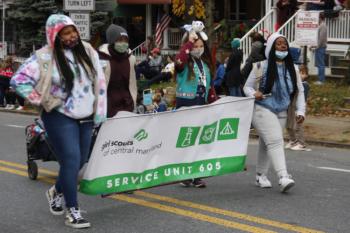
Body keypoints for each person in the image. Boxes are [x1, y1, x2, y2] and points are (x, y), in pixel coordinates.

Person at [11, 14, 107, 228]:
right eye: (66, 33)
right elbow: (18, 81)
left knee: (80, 161)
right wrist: (43, 101)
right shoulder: (44, 57)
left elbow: (99, 82)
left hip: (86, 114)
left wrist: (100, 111)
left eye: (73, 31)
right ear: (55, 35)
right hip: (58, 115)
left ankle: (56, 191)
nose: (72, 36)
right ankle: (72, 210)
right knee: (71, 160)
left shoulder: (88, 50)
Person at [243, 33, 306, 193]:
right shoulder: (260, 66)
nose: (283, 46)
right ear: (271, 48)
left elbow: (300, 91)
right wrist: (253, 93)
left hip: (282, 110)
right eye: (278, 44)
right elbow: (247, 87)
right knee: (276, 140)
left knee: (267, 143)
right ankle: (283, 176)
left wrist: (300, 110)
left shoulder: (294, 69)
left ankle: (260, 175)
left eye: (284, 44)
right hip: (262, 108)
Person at [175, 22, 214, 188]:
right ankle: (184, 173)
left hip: (201, 105)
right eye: (195, 46)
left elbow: (209, 88)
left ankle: (196, 174)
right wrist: (188, 43)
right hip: (186, 106)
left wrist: (214, 101)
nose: (198, 48)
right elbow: (179, 61)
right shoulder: (184, 63)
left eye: (200, 46)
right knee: (187, 141)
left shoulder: (204, 65)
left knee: (199, 141)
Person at [97, 24, 137, 118]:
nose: (123, 43)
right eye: (120, 40)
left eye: (125, 40)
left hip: (127, 106)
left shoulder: (131, 59)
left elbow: (133, 84)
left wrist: (133, 101)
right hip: (108, 108)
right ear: (112, 41)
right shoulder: (101, 58)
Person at [285, 64, 311, 151]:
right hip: (292, 107)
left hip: (299, 108)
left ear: (306, 75)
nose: (300, 75)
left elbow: (303, 98)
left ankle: (301, 143)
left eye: (303, 73)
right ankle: (293, 140)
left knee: (298, 126)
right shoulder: (294, 84)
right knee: (289, 125)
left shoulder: (305, 85)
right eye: (299, 72)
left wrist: (300, 110)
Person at [313, 13, 327, 85]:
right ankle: (320, 80)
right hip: (319, 47)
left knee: (321, 64)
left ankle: (321, 80)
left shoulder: (323, 26)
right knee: (319, 64)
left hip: (321, 47)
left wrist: (317, 47)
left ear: (320, 18)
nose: (316, 20)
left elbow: (321, 38)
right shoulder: (321, 25)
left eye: (317, 18)